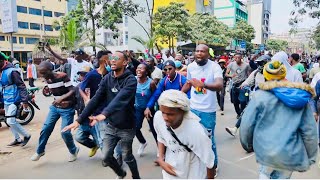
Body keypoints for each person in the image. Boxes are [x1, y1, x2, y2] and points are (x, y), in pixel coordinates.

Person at [63, 51, 140, 179]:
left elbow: (120, 99)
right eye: (111, 58)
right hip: (111, 125)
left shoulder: (130, 79)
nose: (113, 60)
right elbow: (96, 99)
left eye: (116, 58)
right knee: (106, 157)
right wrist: (79, 120)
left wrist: (104, 114)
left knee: (127, 156)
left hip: (127, 126)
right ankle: (121, 173)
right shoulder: (107, 78)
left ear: (125, 62)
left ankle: (136, 177)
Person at [240, 60, 318, 179]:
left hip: (266, 150)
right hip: (290, 152)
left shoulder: (260, 96)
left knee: (264, 174)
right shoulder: (300, 97)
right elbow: (309, 130)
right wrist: (311, 155)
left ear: (266, 76)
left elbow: (247, 125)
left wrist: (248, 145)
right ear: (283, 74)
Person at [181, 44, 223, 177]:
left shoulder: (214, 67)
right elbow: (189, 83)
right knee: (193, 138)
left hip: (208, 111)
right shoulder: (191, 66)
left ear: (208, 54)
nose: (199, 53)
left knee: (209, 141)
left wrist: (203, 84)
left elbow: (219, 85)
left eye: (202, 51)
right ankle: (198, 163)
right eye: (197, 51)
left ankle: (213, 165)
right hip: (193, 108)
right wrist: (179, 96)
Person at [154, 90, 216, 179]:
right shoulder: (158, 118)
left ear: (182, 112)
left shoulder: (195, 131)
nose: (165, 118)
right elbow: (161, 137)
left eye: (170, 114)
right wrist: (161, 159)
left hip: (193, 172)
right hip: (171, 171)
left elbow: (210, 163)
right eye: (163, 112)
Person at [30, 61, 79, 162]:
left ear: (50, 70)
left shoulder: (62, 76)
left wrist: (62, 98)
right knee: (46, 128)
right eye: (40, 73)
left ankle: (73, 150)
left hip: (67, 107)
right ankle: (40, 151)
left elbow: (73, 89)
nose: (41, 75)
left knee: (65, 132)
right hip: (55, 107)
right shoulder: (47, 78)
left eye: (43, 73)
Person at [225, 55, 271, 137]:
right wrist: (244, 85)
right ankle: (235, 129)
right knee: (246, 111)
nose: (260, 66)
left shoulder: (275, 73)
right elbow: (247, 81)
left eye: (262, 63)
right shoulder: (256, 73)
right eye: (259, 64)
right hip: (257, 98)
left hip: (271, 100)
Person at [0, 53, 31, 147]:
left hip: (14, 99)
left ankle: (27, 135)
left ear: (1, 61)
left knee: (10, 121)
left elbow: (22, 86)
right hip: (6, 99)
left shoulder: (12, 71)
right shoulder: (2, 71)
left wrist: (24, 101)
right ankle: (17, 139)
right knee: (8, 120)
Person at [134, 63, 157, 157]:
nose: (138, 70)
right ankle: (143, 142)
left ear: (146, 72)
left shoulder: (151, 83)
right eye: (137, 68)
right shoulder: (133, 80)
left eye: (141, 69)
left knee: (154, 130)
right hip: (138, 108)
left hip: (149, 109)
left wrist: (148, 107)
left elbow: (154, 96)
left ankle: (160, 149)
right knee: (135, 127)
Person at [225, 53, 251, 118]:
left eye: (238, 58)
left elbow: (249, 75)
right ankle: (238, 113)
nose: (237, 59)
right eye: (235, 58)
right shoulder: (231, 64)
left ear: (241, 58)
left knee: (242, 101)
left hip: (243, 85)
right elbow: (226, 74)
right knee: (235, 101)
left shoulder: (246, 65)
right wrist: (231, 76)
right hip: (234, 85)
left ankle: (242, 113)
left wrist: (248, 83)